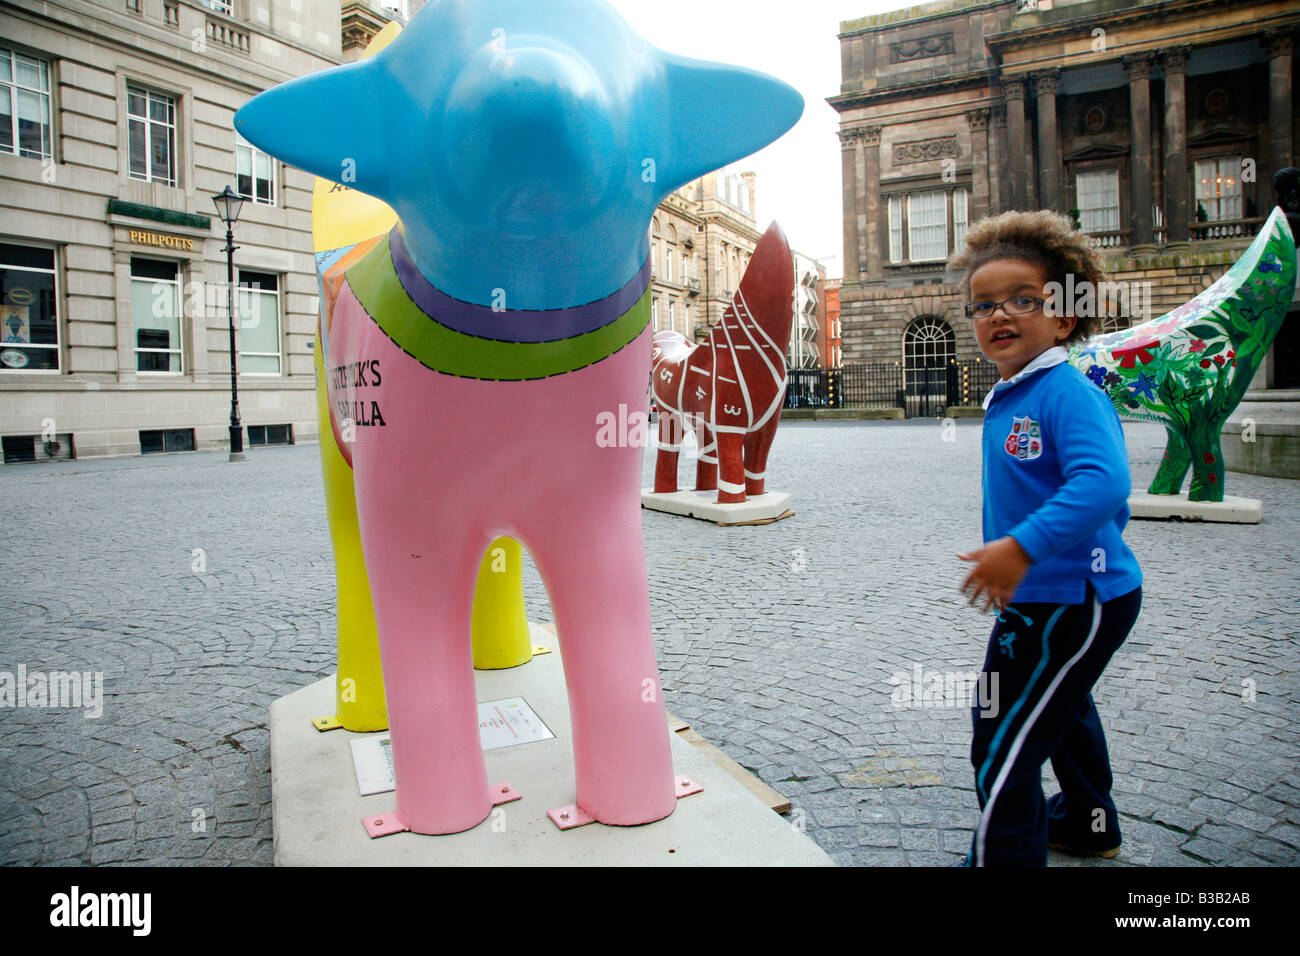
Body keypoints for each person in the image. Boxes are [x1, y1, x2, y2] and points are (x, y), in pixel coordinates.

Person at [949, 210, 1144, 867]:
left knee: (1002, 739)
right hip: (1046, 595)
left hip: (1071, 598)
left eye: (1022, 300)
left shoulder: (1066, 392)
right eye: (983, 304)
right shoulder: (1016, 390)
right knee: (1061, 704)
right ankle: (1089, 823)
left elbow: (1104, 485)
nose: (998, 314)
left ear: (1064, 317)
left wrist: (1021, 548)